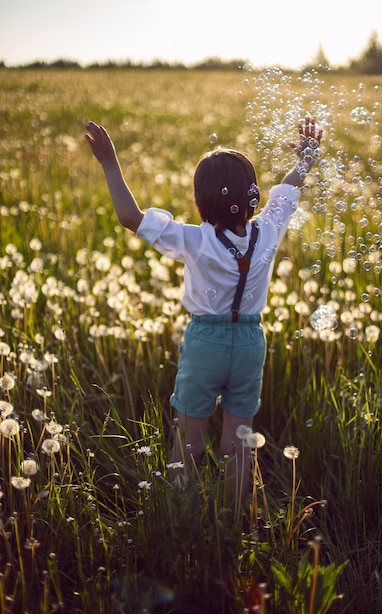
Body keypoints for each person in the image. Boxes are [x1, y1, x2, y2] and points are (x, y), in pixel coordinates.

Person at [85, 117, 322, 502]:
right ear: (254, 196)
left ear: (201, 200)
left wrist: (109, 161)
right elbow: (288, 191)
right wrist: (306, 159)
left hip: (205, 341)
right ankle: (232, 520)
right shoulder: (268, 230)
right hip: (249, 342)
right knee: (239, 441)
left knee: (189, 437)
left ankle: (182, 515)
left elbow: (131, 217)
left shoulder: (195, 240)